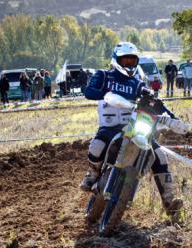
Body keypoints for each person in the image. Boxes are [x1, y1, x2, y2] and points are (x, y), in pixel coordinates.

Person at [80, 42, 186, 217]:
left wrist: (172, 119)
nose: (129, 64)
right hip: (110, 126)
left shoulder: (137, 84)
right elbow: (89, 92)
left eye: (132, 61)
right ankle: (92, 173)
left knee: (159, 155)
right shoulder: (104, 76)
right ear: (116, 60)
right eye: (125, 61)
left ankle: (169, 202)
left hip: (133, 128)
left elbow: (155, 103)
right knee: (98, 145)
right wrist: (105, 94)